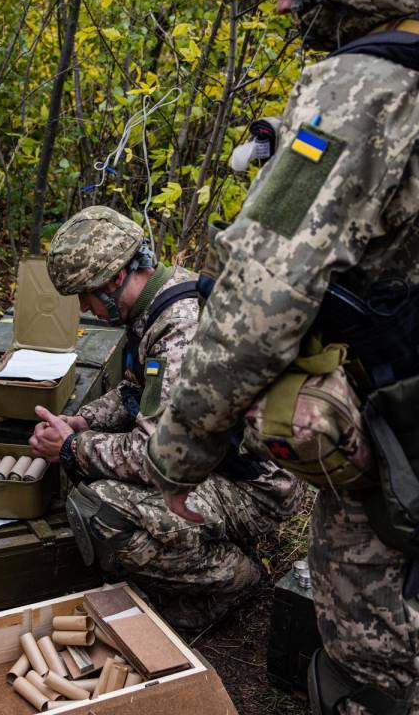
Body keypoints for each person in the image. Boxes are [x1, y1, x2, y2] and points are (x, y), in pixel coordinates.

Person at [148, 0, 419, 713]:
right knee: (411, 604)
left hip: (399, 423)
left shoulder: (365, 89)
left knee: (369, 645)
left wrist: (179, 446)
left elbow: (262, 295)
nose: (283, 3)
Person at [29, 206, 305, 631]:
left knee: (103, 513)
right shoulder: (155, 303)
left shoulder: (181, 327)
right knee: (94, 474)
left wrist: (70, 448)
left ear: (115, 278)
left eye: (85, 294)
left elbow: (156, 456)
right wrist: (84, 423)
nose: (85, 308)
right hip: (214, 464)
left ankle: (233, 577)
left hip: (252, 488)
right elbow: (137, 394)